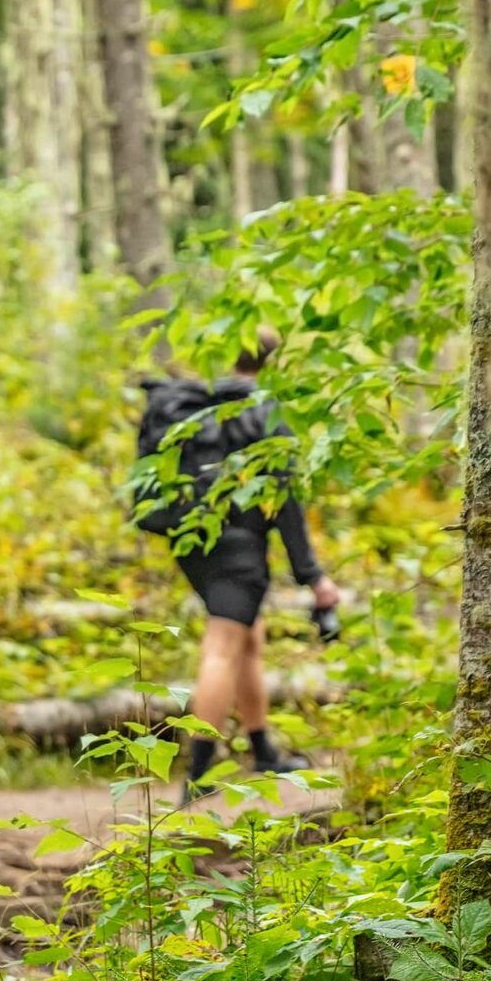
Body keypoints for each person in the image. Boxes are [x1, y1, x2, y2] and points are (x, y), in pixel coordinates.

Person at [136, 327, 342, 794]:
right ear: (274, 363)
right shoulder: (265, 412)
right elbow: (285, 499)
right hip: (239, 550)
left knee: (248, 639)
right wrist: (314, 577)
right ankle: (199, 773)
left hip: (192, 542)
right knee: (222, 649)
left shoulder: (203, 404)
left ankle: (263, 749)